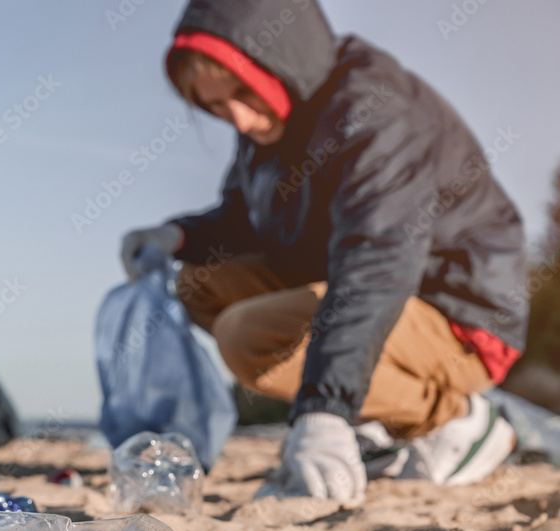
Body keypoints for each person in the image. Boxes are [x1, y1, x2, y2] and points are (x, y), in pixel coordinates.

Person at [121, 0, 528, 502]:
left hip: (460, 314)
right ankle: (378, 420)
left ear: (282, 59)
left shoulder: (377, 112)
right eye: (216, 105)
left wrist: (323, 412)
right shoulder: (270, 123)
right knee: (202, 285)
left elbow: (376, 264)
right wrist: (176, 236)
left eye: (243, 92)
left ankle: (460, 421)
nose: (239, 119)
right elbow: (244, 218)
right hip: (358, 288)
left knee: (250, 338)